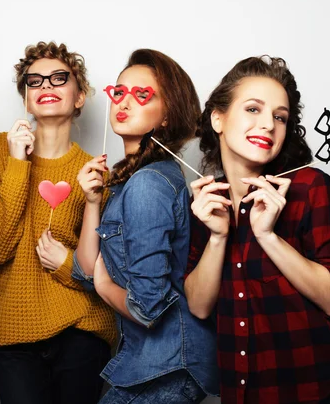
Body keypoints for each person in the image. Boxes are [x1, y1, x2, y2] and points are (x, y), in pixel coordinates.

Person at [185, 55, 330, 403]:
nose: (268, 124)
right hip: (253, 393)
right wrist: (218, 237)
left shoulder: (309, 186)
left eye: (279, 116)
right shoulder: (207, 203)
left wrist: (268, 236)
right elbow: (199, 306)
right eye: (253, 109)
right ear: (218, 118)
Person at [74, 49, 218, 403]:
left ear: (167, 115)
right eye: (119, 92)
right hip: (151, 363)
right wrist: (93, 204)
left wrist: (105, 287)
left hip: (168, 363)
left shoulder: (148, 183)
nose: (124, 102)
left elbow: (147, 307)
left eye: (142, 94)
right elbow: (83, 271)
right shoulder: (128, 180)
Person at [0, 41, 116, 404]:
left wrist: (67, 265)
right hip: (13, 329)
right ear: (26, 97)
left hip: (82, 328)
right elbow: (1, 248)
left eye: (59, 78)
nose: (46, 87)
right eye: (35, 81)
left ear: (80, 96)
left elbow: (109, 271)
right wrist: (17, 162)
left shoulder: (94, 172)